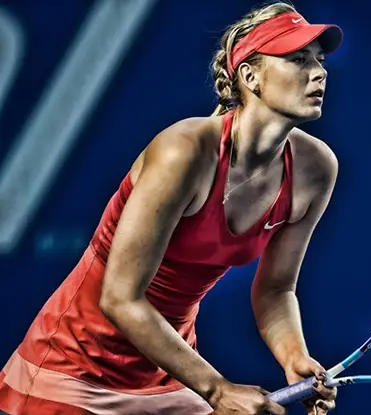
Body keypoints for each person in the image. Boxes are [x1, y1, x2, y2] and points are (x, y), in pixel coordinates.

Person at [0, 2, 343, 414]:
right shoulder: (183, 151)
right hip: (73, 366)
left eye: (320, 61)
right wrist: (216, 390)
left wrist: (294, 357)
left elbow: (276, 289)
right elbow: (120, 297)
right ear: (249, 76)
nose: (318, 72)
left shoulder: (315, 169)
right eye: (298, 60)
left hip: (166, 369)